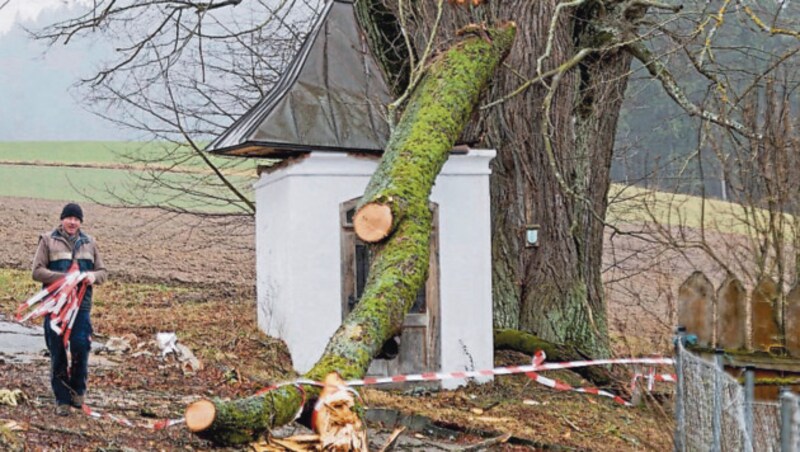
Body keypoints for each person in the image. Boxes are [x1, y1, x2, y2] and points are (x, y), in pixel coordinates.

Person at [32, 203, 107, 416]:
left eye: (76, 218)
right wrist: (65, 279)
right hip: (55, 305)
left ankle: (78, 392)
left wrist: (93, 276)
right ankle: (62, 399)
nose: (73, 222)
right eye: (69, 218)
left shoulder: (90, 243)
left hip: (81, 306)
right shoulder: (47, 240)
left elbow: (102, 271)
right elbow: (36, 272)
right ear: (62, 220)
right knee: (57, 351)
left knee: (81, 346)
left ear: (80, 222)